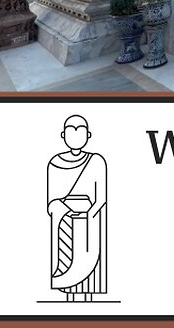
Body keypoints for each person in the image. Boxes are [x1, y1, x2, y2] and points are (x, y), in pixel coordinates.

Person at [47, 115, 107, 301]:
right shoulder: (54, 163)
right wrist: (63, 209)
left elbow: (102, 196)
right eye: (71, 130)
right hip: (64, 223)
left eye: (80, 130)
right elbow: (51, 200)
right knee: (67, 272)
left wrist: (89, 216)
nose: (75, 134)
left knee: (90, 277)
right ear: (63, 135)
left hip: (90, 221)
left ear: (88, 135)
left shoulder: (96, 161)